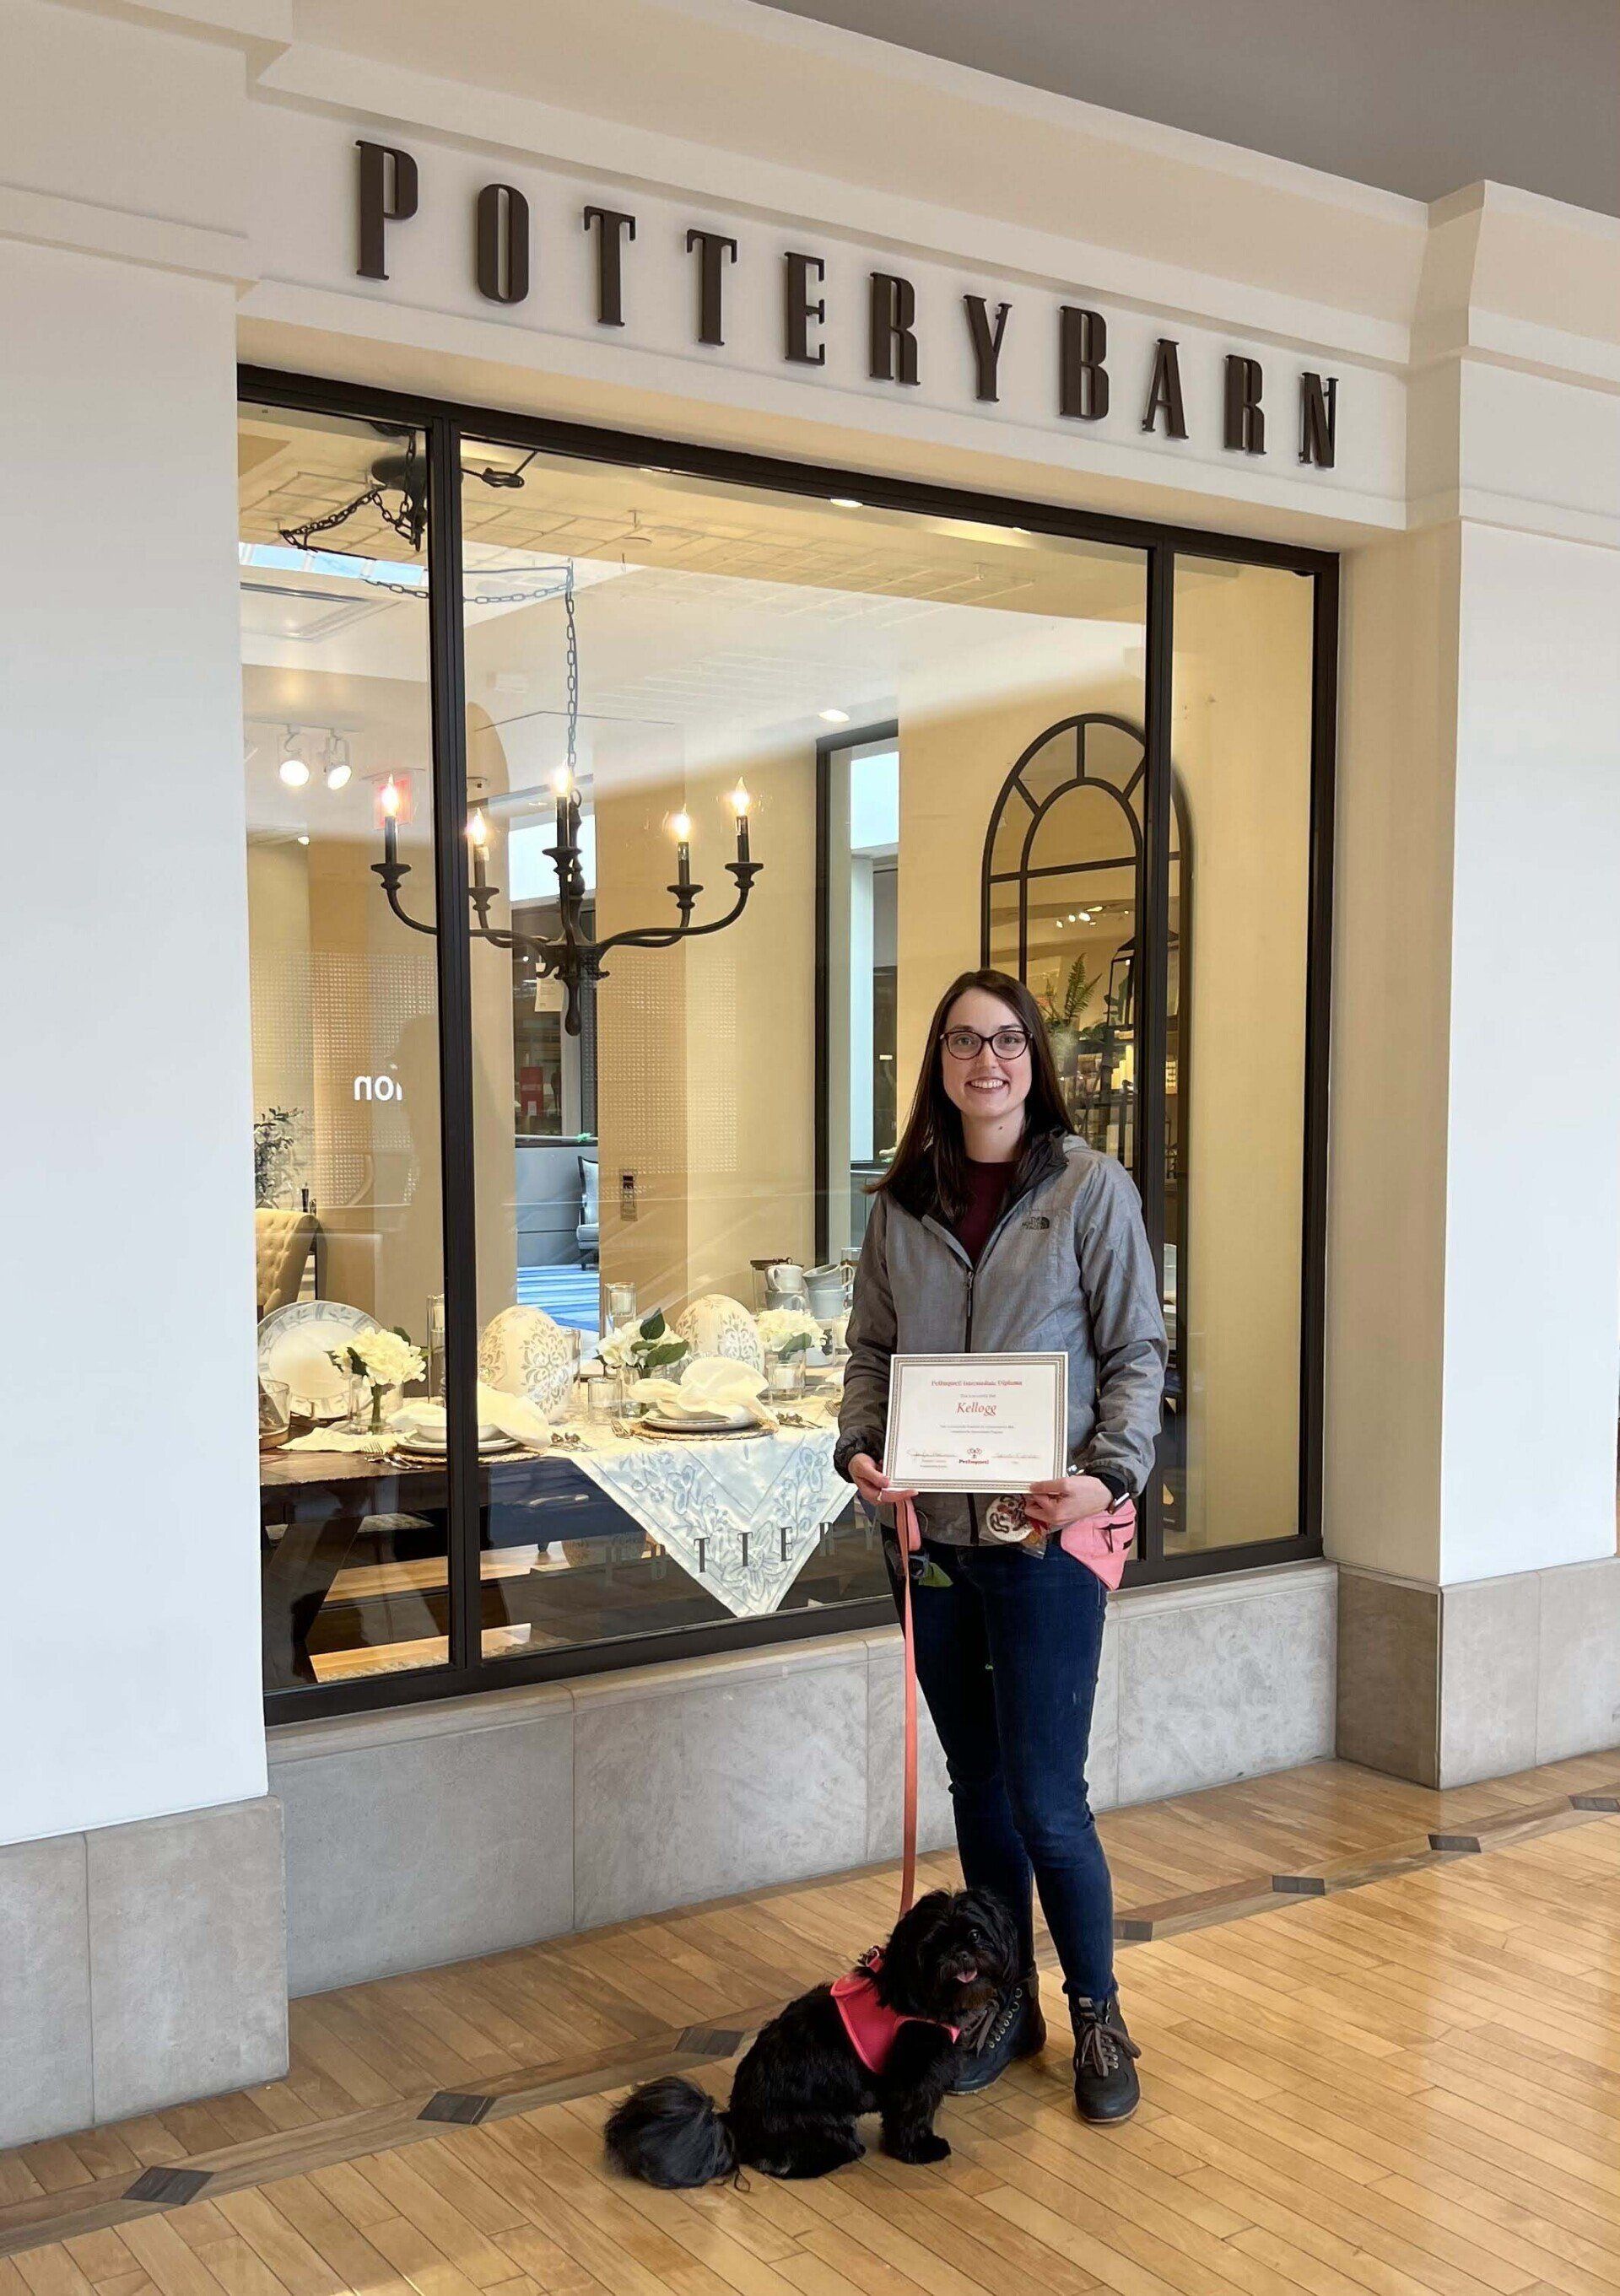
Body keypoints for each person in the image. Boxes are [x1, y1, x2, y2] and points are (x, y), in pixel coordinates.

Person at [835, 967, 1166, 2122]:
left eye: (1009, 1039)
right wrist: (861, 1448)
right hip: (931, 1543)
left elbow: (1136, 1353)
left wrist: (1106, 1477)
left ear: (1036, 1058)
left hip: (1043, 1543)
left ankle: (1098, 2013)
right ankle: (1003, 2000)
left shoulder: (1089, 1188)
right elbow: (871, 1353)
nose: (989, 1060)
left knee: (1046, 1797)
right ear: (938, 1060)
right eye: (966, 1040)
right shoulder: (901, 1204)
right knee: (977, 1782)